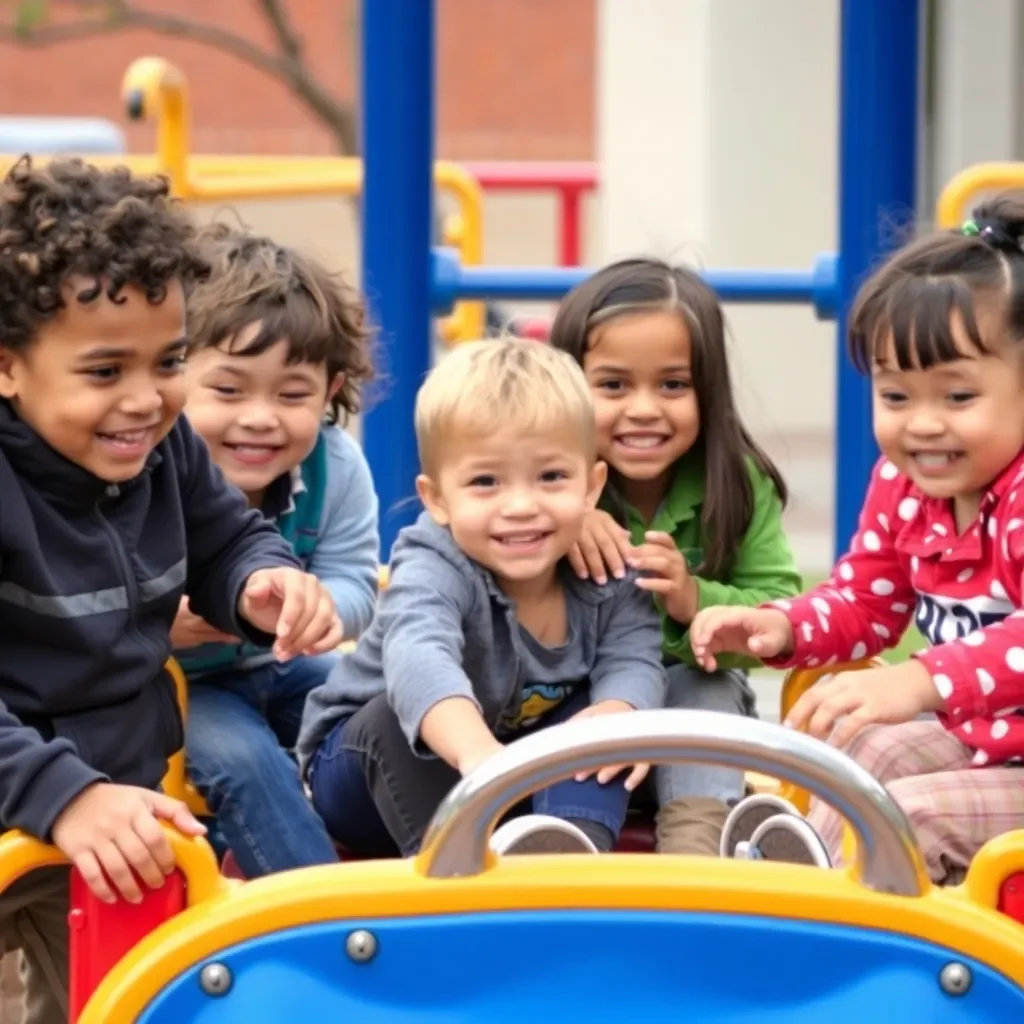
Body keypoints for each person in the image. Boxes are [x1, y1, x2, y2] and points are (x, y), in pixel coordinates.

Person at [0, 157, 341, 1024]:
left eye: (170, 361)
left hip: (116, 809)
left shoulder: (163, 450)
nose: (147, 401)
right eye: (105, 371)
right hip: (35, 798)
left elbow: (224, 534)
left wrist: (261, 580)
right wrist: (60, 793)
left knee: (126, 1003)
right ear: (9, 368)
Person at [691, 196, 1024, 885]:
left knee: (911, 815)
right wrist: (780, 627)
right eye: (896, 396)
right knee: (862, 753)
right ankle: (797, 885)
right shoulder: (905, 486)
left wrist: (925, 677)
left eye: (957, 397)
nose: (922, 424)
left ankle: (827, 927)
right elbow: (864, 603)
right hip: (986, 741)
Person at [297, 338, 667, 858]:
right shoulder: (435, 561)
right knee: (398, 716)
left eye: (551, 477)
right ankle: (460, 878)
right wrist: (479, 756)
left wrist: (617, 708)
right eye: (486, 481)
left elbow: (635, 656)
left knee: (603, 723)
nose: (520, 505)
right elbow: (418, 654)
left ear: (591, 485)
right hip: (366, 773)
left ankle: (567, 853)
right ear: (437, 499)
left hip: (508, 776)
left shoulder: (604, 569)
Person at [547, 258, 801, 855]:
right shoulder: (543, 482)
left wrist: (696, 602)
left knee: (701, 687)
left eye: (672, 385)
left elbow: (781, 617)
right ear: (564, 391)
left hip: (689, 728)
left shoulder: (736, 482)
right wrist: (565, 518)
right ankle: (564, 851)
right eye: (613, 385)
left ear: (707, 391)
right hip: (576, 709)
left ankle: (700, 857)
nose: (644, 408)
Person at [172, 226, 378, 877]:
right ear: (176, 378)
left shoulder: (334, 466)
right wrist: (159, 623)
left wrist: (319, 609)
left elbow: (355, 582)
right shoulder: (152, 466)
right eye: (228, 391)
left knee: (386, 704)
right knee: (244, 760)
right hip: (178, 684)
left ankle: (430, 878)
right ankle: (326, 921)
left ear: (329, 390)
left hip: (282, 664)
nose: (260, 417)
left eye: (291, 395)